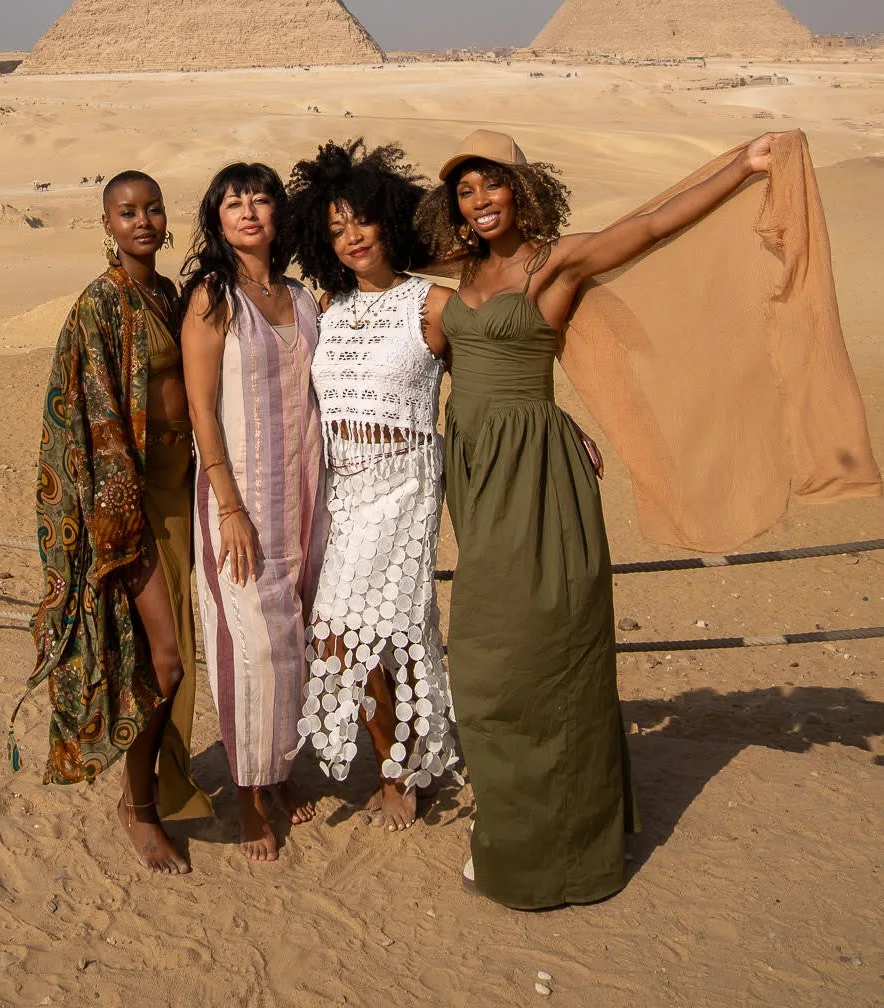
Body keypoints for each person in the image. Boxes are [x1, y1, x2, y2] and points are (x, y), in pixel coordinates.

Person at [415, 127, 780, 910]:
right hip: (473, 471)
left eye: (491, 186)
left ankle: (560, 848)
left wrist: (739, 165)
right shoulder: (458, 272)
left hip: (536, 473)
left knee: (532, 656)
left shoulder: (557, 260)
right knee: (493, 661)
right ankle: (520, 828)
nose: (478, 203)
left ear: (522, 187)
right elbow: (383, 283)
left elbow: (650, 226)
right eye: (465, 192)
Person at [13, 170, 211, 875]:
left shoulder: (167, 295)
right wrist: (112, 518)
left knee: (182, 654)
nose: (143, 222)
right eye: (127, 212)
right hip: (126, 504)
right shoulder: (99, 306)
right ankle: (140, 806)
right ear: (106, 225)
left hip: (181, 489)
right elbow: (89, 417)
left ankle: (163, 783)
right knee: (163, 659)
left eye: (153, 209)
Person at [285, 141, 458, 830]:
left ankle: (399, 775)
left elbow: (493, 379)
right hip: (344, 490)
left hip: (405, 485)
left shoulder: (434, 304)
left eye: (359, 220)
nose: (351, 237)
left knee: (368, 633)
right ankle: (404, 758)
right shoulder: (327, 306)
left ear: (388, 219)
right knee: (359, 634)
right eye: (333, 229)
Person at [181, 162, 326, 862]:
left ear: (278, 216)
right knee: (251, 648)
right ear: (216, 218)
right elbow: (200, 406)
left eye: (260, 201)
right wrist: (228, 504)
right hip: (240, 504)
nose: (247, 213)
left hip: (302, 499)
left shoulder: (299, 297)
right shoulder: (213, 297)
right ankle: (245, 796)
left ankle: (279, 774)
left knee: (293, 642)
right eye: (233, 203)